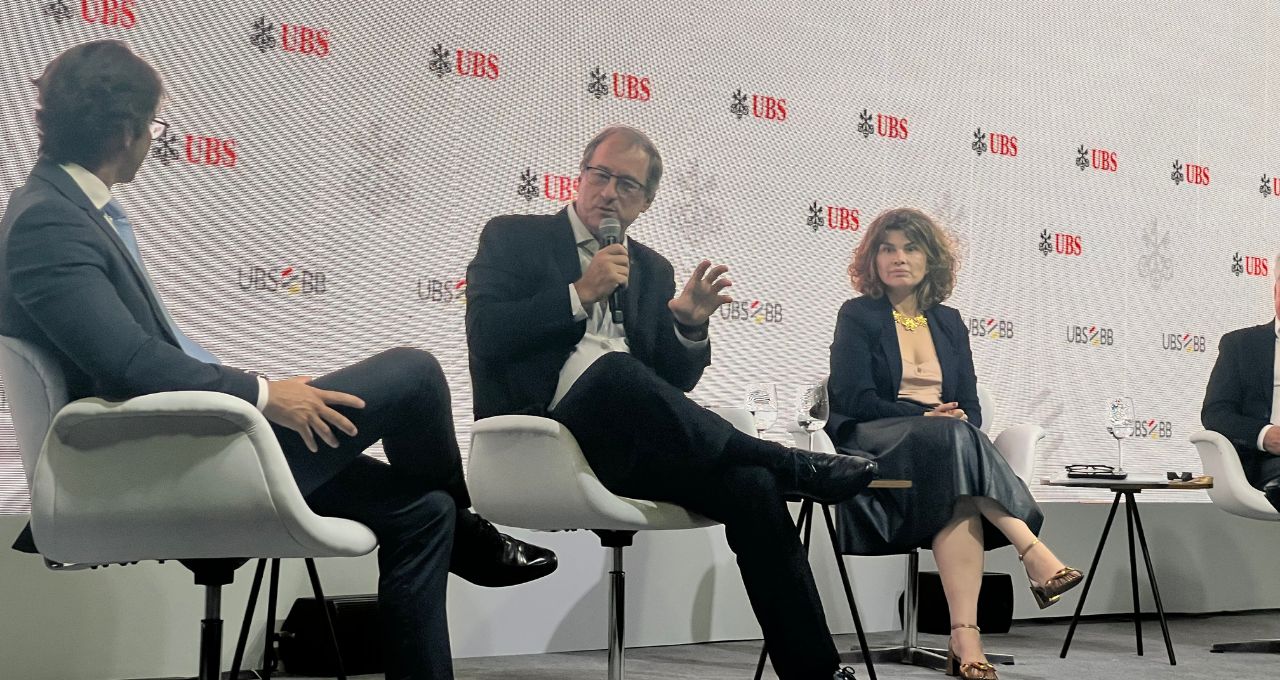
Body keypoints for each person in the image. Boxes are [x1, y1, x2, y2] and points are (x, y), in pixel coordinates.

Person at [0, 40, 555, 680]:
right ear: (127, 131)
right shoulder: (49, 222)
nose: (153, 139)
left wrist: (264, 399)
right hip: (159, 464)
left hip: (187, 446)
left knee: (423, 512)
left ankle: (454, 531)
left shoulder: (66, 212)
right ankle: (473, 532)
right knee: (415, 373)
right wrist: (266, 396)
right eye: (154, 125)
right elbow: (129, 364)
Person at [465, 124, 876, 680]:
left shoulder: (651, 268)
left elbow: (670, 386)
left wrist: (687, 325)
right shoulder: (514, 238)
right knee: (615, 372)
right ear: (579, 176)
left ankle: (814, 672)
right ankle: (790, 464)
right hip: (543, 437)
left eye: (627, 185)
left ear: (646, 202)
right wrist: (579, 293)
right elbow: (487, 333)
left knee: (751, 486)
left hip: (629, 442)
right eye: (600, 175)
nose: (609, 193)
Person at [826, 208, 1082, 680]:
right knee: (951, 438)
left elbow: (970, 407)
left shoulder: (948, 321)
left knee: (958, 479)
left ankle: (966, 637)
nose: (898, 258)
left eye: (911, 248)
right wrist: (925, 417)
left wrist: (955, 420)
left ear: (931, 259)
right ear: (873, 259)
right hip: (877, 439)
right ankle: (1030, 548)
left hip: (943, 449)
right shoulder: (858, 315)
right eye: (887, 249)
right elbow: (852, 398)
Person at [1202, 255, 1280, 513]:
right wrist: (1265, 435)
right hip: (1266, 462)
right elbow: (1215, 413)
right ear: (1275, 289)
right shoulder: (1241, 345)